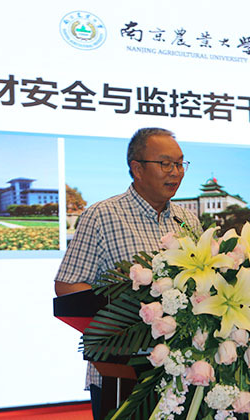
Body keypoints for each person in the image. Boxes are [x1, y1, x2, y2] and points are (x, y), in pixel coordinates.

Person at [54, 127, 201, 420]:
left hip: (186, 372)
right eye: (165, 164)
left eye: (180, 163)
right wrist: (125, 320)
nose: (176, 172)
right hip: (124, 375)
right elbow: (67, 286)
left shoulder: (187, 219)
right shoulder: (102, 216)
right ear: (137, 168)